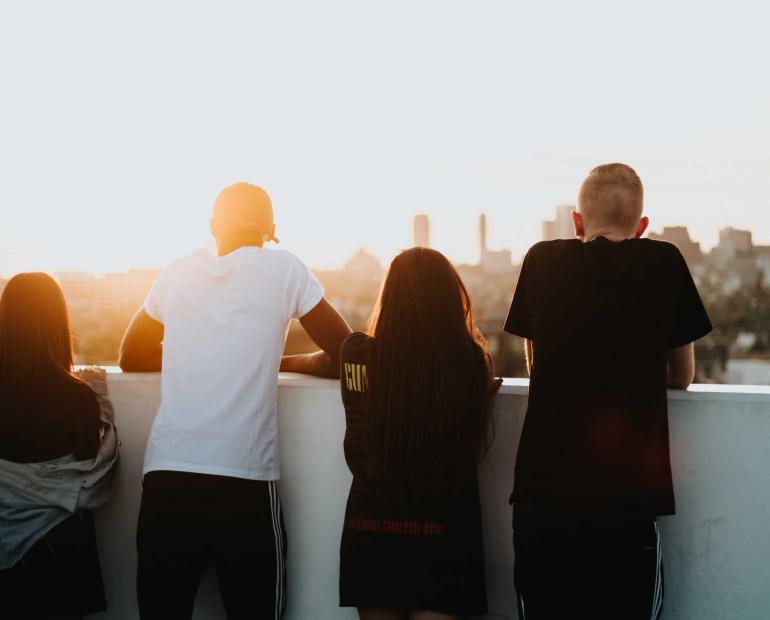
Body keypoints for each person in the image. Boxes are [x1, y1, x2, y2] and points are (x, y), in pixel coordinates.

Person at [120, 182, 351, 619]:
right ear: (271, 231)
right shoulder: (285, 270)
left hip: (168, 474)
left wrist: (199, 349)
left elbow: (130, 355)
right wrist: (275, 358)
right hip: (242, 479)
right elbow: (346, 352)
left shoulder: (178, 271)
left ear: (213, 227)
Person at [505, 163, 713, 619]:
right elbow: (682, 375)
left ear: (577, 222)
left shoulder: (541, 260)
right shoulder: (665, 262)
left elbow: (538, 365)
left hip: (545, 500)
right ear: (642, 227)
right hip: (627, 505)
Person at [338, 247, 500, 620]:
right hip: (444, 537)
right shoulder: (469, 364)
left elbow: (327, 361)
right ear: (449, 298)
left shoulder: (355, 354)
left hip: (371, 532)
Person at [0, 272, 118, 619]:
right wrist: (99, 398)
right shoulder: (76, 397)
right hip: (57, 552)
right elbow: (93, 465)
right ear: (57, 323)